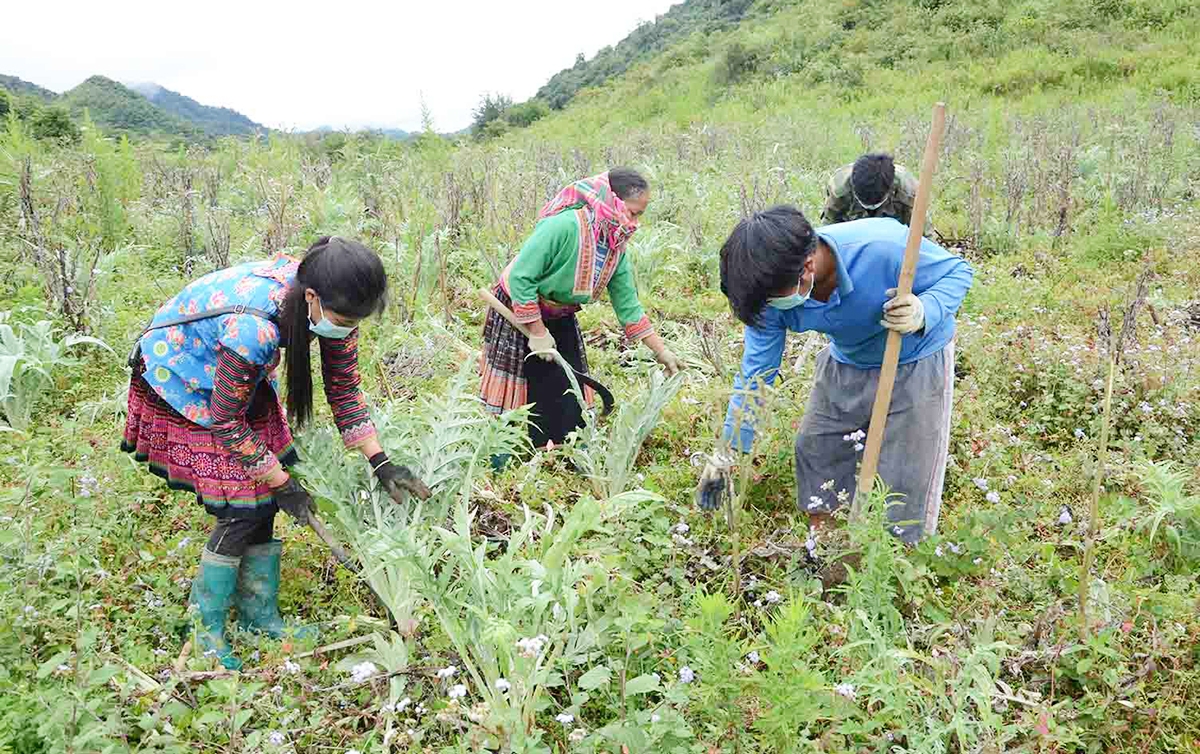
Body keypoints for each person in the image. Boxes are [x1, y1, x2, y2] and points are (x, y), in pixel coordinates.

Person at [121, 237, 429, 670]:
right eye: (342, 320)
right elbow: (226, 421)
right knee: (240, 506)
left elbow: (343, 389)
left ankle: (258, 616)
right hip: (183, 374)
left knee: (260, 498)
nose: (345, 328)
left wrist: (380, 461)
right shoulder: (256, 330)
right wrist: (283, 484)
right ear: (311, 298)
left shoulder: (330, 305)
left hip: (233, 375)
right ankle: (205, 628)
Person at [697, 207, 972, 545]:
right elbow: (756, 377)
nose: (767, 309)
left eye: (770, 300)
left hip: (915, 357)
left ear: (807, 268)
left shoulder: (882, 245)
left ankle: (895, 557)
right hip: (847, 357)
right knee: (817, 447)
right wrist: (729, 450)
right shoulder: (768, 299)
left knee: (904, 471)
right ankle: (825, 545)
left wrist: (924, 309)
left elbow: (957, 273)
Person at [479, 168, 682, 449]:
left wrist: (661, 351)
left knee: (566, 387)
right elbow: (521, 277)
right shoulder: (562, 227)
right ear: (613, 202)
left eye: (640, 216)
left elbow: (628, 306)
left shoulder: (614, 245)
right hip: (519, 305)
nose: (635, 223)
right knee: (521, 388)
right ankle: (509, 456)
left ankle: (559, 451)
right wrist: (537, 332)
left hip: (560, 312)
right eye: (633, 213)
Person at [821, 152, 933, 236]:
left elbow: (923, 235)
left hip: (893, 236)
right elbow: (829, 226)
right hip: (853, 233)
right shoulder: (839, 187)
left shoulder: (909, 190)